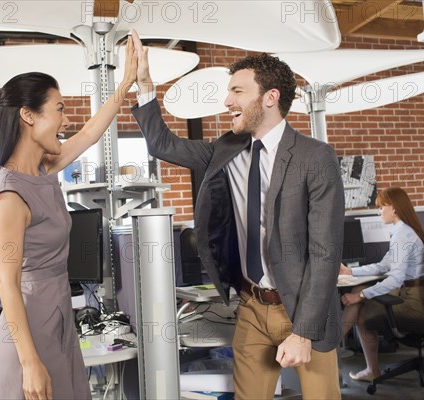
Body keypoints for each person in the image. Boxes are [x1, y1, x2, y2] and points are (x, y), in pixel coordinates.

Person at [131, 32, 344, 400]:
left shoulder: (315, 157)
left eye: (238, 91)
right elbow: (162, 144)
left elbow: (326, 252)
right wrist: (146, 87)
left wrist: (304, 332)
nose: (227, 101)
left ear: (271, 98)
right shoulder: (224, 149)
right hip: (251, 305)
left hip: (303, 308)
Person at [0, 35, 138, 400]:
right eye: (60, 108)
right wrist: (30, 362)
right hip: (29, 333)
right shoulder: (9, 194)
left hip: (59, 321)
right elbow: (7, 284)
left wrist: (126, 81)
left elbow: (88, 132)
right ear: (28, 115)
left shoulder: (43, 169)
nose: (66, 119)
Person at [340, 186, 424, 382]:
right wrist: (350, 271)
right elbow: (384, 266)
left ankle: (333, 346)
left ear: (394, 208)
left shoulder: (403, 234)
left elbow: (395, 279)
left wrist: (360, 296)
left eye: (381, 207)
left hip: (414, 303)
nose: (379, 211)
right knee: (359, 290)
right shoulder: (403, 231)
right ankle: (335, 343)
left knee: (361, 310)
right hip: (411, 295)